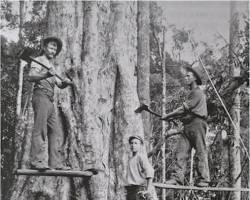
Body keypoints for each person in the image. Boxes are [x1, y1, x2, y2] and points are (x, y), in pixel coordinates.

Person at [28, 36, 72, 170]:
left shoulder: (52, 66)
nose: (53, 50)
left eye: (55, 48)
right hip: (40, 96)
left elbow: (59, 84)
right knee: (40, 129)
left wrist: (65, 83)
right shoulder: (38, 60)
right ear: (45, 47)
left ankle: (55, 163)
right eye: (51, 47)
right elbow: (31, 76)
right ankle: (36, 161)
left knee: (55, 132)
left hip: (50, 100)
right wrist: (46, 75)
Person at [161, 66, 210, 187]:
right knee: (181, 152)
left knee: (200, 151)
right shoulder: (191, 93)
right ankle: (177, 178)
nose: (186, 78)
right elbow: (184, 112)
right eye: (186, 76)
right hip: (187, 125)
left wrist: (168, 115)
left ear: (194, 78)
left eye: (188, 76)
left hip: (198, 124)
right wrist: (172, 117)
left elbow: (183, 108)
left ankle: (203, 179)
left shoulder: (198, 92)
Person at [126, 135, 154, 200]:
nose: (133, 145)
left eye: (136, 143)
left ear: (140, 145)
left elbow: (150, 171)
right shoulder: (130, 159)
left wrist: (148, 190)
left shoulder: (141, 157)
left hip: (139, 189)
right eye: (131, 143)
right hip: (130, 190)